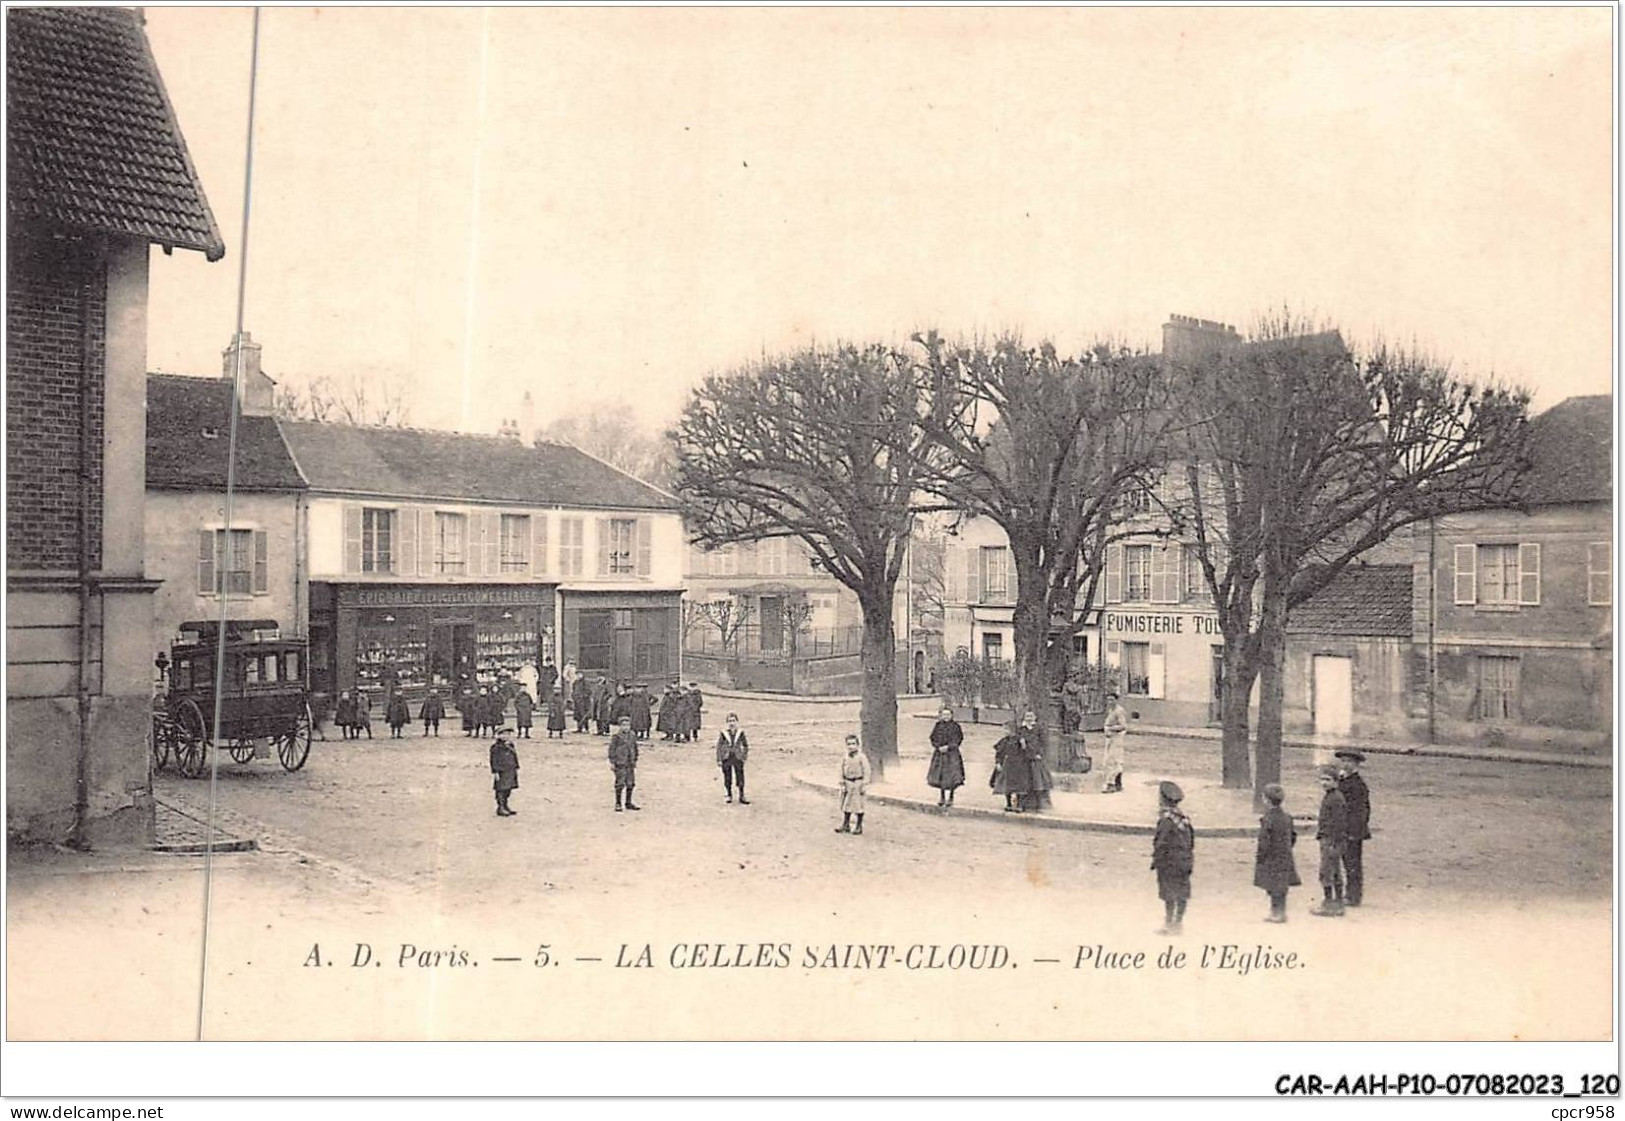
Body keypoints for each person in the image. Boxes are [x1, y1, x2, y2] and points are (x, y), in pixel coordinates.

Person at [1151, 780, 1195, 935]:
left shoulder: (1166, 820)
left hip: (1169, 862)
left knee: (1169, 893)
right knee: (1182, 892)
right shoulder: (1184, 818)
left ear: (1162, 799)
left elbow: (1160, 843)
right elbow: (1191, 840)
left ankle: (1169, 923)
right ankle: (1178, 923)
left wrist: (1156, 860)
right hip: (1184, 861)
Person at [1254, 782, 1301, 923]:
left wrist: (1261, 856)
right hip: (1285, 855)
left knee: (1274, 887)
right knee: (1282, 886)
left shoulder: (1268, 819)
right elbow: (1293, 836)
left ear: (1266, 800)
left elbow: (1264, 840)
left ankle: (1276, 913)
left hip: (1272, 857)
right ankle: (1281, 912)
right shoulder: (1287, 817)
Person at [1311, 766, 1349, 917]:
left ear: (1336, 781)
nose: (1324, 783)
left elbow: (1339, 823)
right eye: (1322, 779)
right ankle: (1338, 904)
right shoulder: (1331, 796)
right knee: (1334, 871)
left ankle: (1329, 904)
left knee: (1327, 872)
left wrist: (1334, 842)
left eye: (1328, 780)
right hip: (1330, 839)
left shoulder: (1335, 798)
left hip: (1331, 840)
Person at [1336, 751, 1372, 907]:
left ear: (1356, 765)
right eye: (1343, 761)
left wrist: (1354, 831)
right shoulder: (1343, 780)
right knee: (1346, 863)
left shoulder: (1358, 785)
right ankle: (1349, 894)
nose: (1345, 764)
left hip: (1352, 831)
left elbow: (1362, 810)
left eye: (1349, 762)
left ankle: (1353, 896)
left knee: (1352, 864)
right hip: (1343, 829)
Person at [991, 712, 1039, 813]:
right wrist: (998, 763)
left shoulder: (1019, 740)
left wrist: (1024, 746)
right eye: (1005, 729)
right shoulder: (1004, 741)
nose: (1005, 731)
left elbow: (1027, 751)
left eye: (1007, 729)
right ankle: (1008, 804)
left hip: (1020, 766)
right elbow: (999, 753)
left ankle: (1020, 805)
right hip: (1008, 766)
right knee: (1007, 786)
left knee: (1021, 786)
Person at [926, 704, 965, 808]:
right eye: (944, 714)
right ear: (941, 716)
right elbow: (932, 738)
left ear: (952, 715)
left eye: (948, 714)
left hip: (952, 754)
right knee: (941, 775)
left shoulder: (956, 726)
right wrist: (938, 747)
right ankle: (942, 797)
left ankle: (951, 797)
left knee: (952, 776)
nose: (946, 716)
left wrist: (949, 747)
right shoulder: (938, 725)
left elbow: (959, 739)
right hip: (940, 754)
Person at [834, 734, 870, 835]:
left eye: (853, 744)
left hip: (858, 783)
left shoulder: (861, 757)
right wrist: (842, 783)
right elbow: (840, 770)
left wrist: (864, 784)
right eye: (849, 744)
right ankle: (846, 824)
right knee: (846, 804)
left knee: (858, 805)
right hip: (847, 783)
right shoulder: (845, 757)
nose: (851, 746)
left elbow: (866, 771)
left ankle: (859, 826)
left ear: (858, 745)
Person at [715, 712, 750, 804]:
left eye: (733, 721)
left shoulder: (740, 732)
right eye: (729, 721)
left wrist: (743, 756)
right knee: (727, 776)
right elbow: (719, 746)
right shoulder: (724, 733)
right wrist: (719, 759)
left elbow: (745, 745)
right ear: (727, 723)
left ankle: (742, 795)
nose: (732, 723)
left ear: (737, 722)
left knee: (740, 776)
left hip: (737, 757)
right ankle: (729, 794)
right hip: (727, 757)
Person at [608, 714, 640, 811]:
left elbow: (635, 748)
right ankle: (618, 803)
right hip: (620, 763)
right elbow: (611, 750)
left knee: (630, 783)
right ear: (620, 726)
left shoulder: (632, 735)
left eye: (627, 725)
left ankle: (628, 802)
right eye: (623, 725)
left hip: (630, 763)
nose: (626, 727)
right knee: (620, 783)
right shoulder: (616, 737)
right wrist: (613, 762)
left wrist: (635, 759)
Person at [1100, 689, 1129, 793]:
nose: (1110, 702)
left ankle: (1112, 784)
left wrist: (1110, 728)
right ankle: (1118, 784)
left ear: (1116, 700)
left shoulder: (1119, 711)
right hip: (1110, 738)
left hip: (1116, 738)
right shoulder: (1110, 710)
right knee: (1109, 760)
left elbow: (1123, 726)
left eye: (1112, 700)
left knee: (1113, 760)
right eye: (1108, 700)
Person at [489, 733, 520, 817]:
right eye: (503, 734)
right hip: (501, 771)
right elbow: (493, 760)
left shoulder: (510, 745)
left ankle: (506, 806)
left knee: (508, 789)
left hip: (510, 770)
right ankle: (500, 807)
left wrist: (516, 766)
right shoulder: (496, 747)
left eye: (508, 734)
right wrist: (495, 771)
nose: (506, 736)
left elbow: (514, 756)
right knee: (501, 789)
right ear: (498, 736)